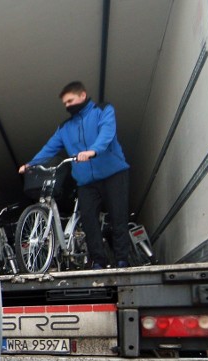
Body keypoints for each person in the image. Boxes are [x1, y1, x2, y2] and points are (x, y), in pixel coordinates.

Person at [19, 81, 132, 269]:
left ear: (82, 96)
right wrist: (31, 164)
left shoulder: (103, 110)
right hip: (86, 181)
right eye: (65, 103)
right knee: (88, 221)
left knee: (118, 217)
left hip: (114, 174)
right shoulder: (65, 127)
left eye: (70, 101)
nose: (67, 106)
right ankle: (98, 261)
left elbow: (107, 133)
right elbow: (50, 148)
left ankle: (122, 259)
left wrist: (93, 151)